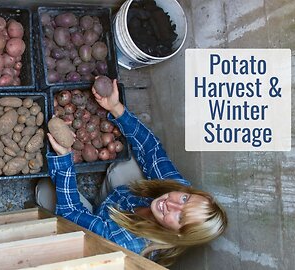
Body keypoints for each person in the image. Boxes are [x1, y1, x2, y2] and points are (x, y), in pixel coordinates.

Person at [36, 79, 228, 267]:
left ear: (179, 235)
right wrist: (116, 108)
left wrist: (65, 157)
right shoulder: (177, 188)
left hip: (102, 229)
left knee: (47, 189)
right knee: (126, 166)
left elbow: (70, 214)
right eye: (185, 199)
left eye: (180, 218)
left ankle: (89, 208)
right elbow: (151, 149)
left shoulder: (127, 244)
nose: (171, 204)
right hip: (114, 204)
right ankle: (98, 198)